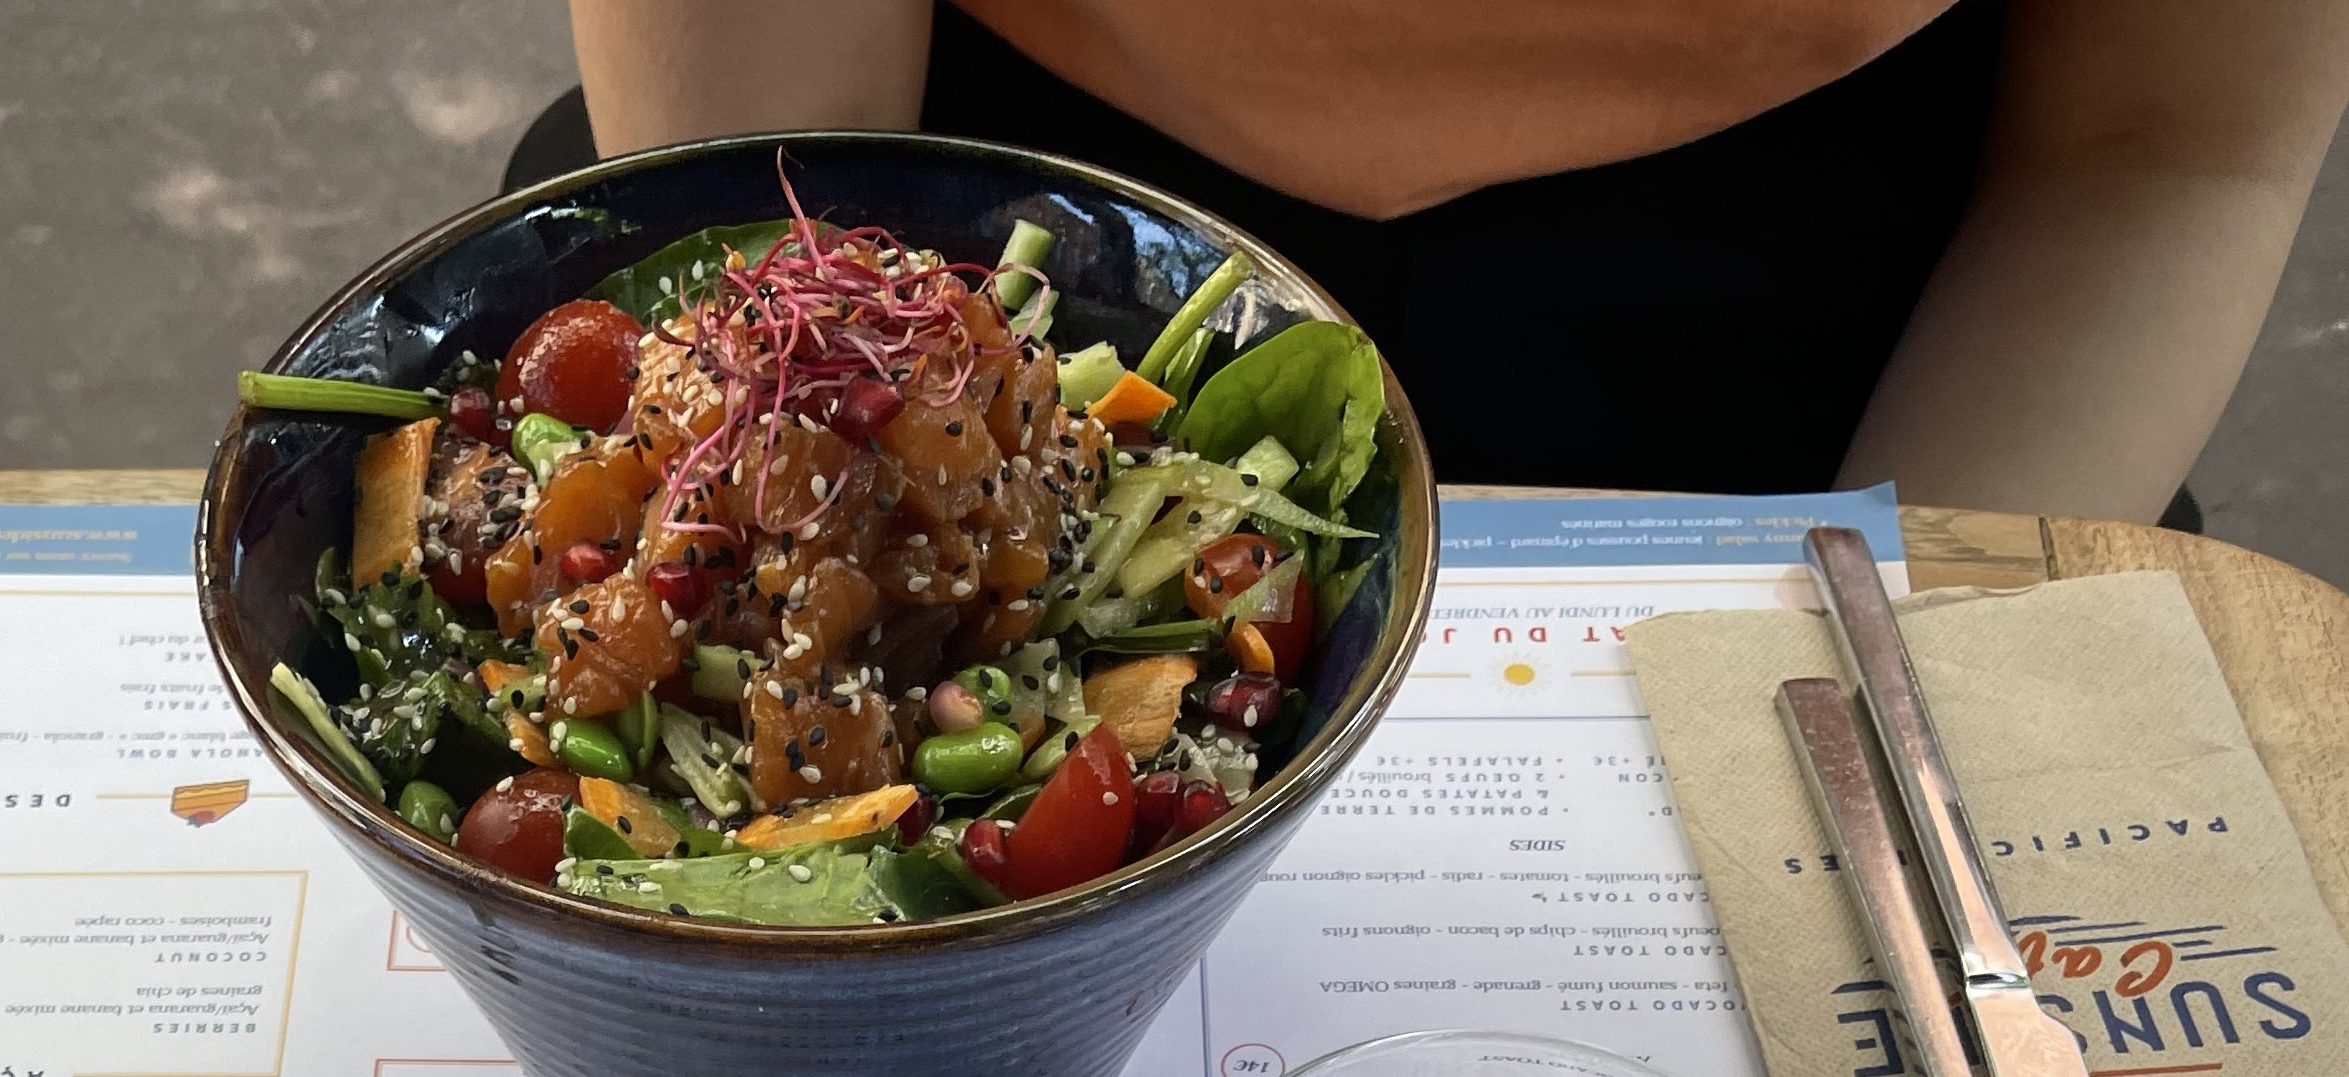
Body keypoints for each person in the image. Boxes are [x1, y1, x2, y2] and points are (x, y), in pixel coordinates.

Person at [516, 0, 2349, 514]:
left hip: (1911, 351)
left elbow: (2164, 138)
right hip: (929, 219)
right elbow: (768, 142)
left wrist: (1901, 645)